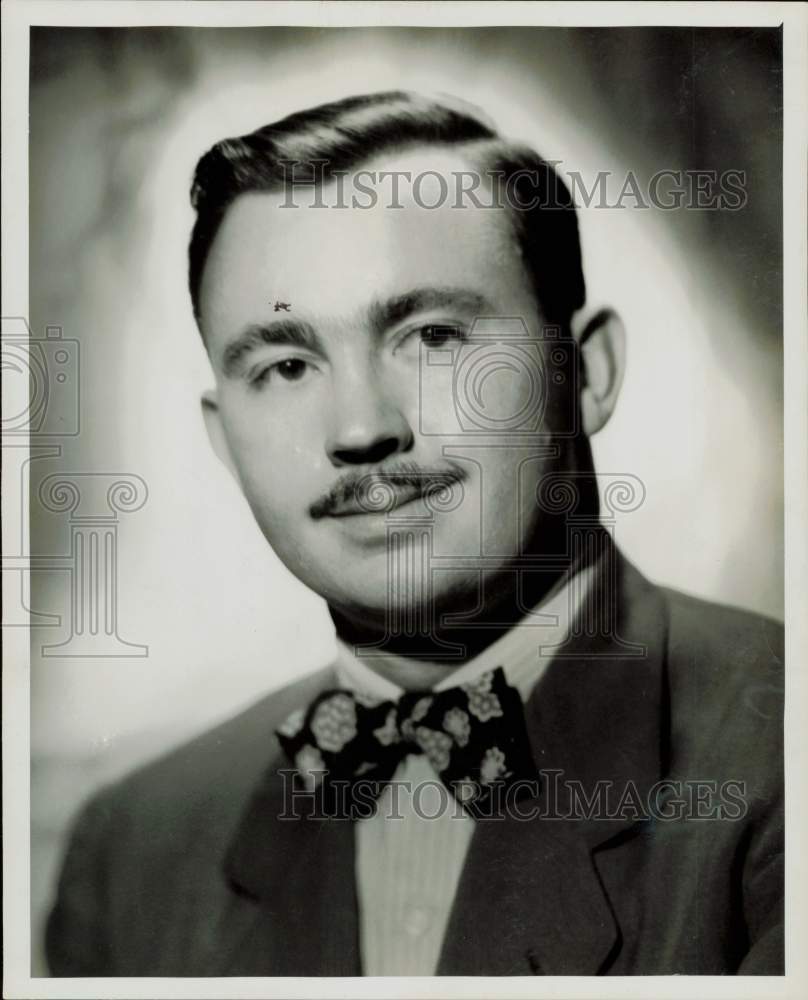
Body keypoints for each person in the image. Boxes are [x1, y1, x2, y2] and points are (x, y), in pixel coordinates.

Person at [46, 90, 783, 977]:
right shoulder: (130, 856)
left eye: (431, 336)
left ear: (585, 373)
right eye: (285, 365)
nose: (360, 428)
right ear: (223, 441)